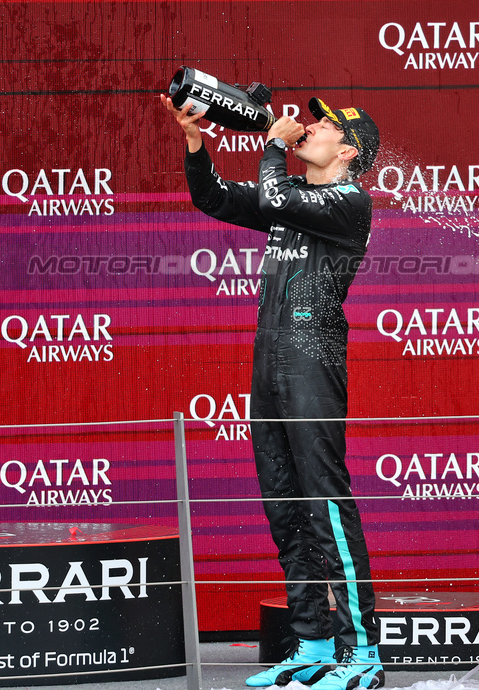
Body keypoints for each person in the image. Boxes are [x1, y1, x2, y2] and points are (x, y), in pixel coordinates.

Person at [161, 93, 383, 690]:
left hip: (313, 360)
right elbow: (212, 197)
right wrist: (193, 140)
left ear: (349, 149)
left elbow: (277, 192)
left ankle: (362, 655)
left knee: (325, 503)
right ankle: (311, 642)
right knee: (285, 506)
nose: (308, 127)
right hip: (270, 359)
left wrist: (271, 142)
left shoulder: (348, 201)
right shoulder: (295, 203)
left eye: (323, 126)